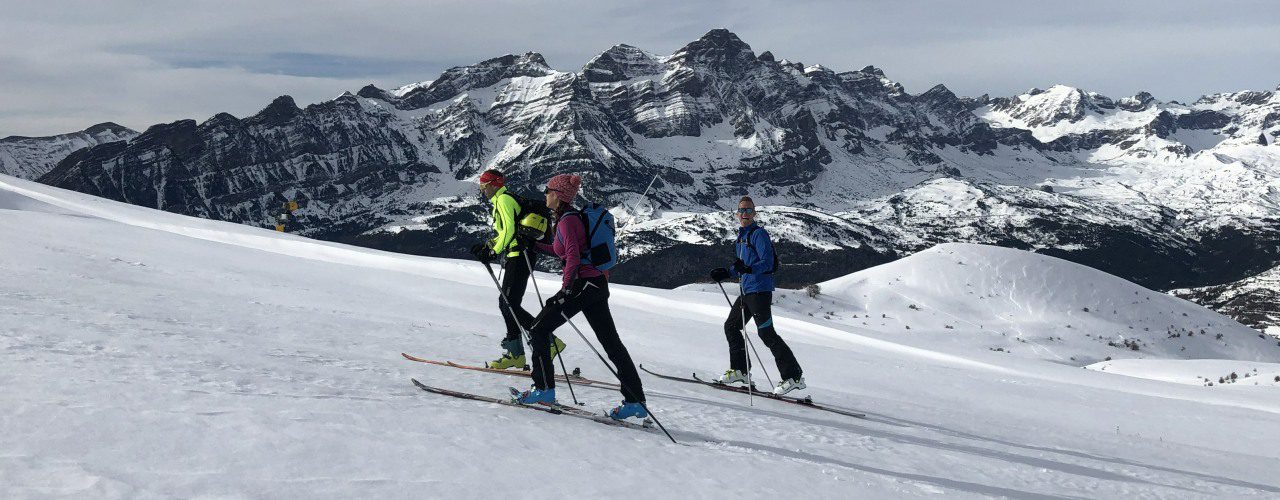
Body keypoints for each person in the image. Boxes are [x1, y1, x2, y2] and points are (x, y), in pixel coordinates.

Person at [514, 173, 648, 421]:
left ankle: (543, 390)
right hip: (595, 285)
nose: (545, 194)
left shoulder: (567, 221)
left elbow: (573, 257)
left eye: (548, 190)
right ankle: (635, 402)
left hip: (583, 285)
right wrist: (533, 246)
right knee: (612, 344)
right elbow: (562, 251)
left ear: (557, 195)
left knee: (539, 329)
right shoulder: (568, 219)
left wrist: (565, 290)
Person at [709, 195, 806, 395]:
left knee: (767, 334)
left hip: (759, 292)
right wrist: (727, 272)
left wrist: (748, 269)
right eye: (742, 210)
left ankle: (793, 376)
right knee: (731, 326)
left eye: (749, 210)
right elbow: (741, 266)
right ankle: (740, 371)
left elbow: (767, 263)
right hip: (747, 291)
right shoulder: (741, 237)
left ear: (754, 214)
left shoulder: (758, 234)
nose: (745, 214)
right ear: (737, 214)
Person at [470, 169, 565, 370]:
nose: (482, 190)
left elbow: (510, 230)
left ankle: (546, 342)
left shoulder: (503, 199)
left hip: (519, 257)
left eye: (484, 186)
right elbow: (506, 232)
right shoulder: (502, 200)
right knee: (507, 304)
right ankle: (518, 353)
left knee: (509, 304)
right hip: (517, 256)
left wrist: (493, 251)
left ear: (494, 184)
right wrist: (488, 246)